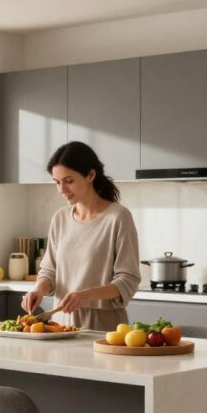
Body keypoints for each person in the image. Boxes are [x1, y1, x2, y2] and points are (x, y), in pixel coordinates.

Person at [22, 141, 141, 331]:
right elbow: (49, 270)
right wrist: (39, 289)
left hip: (103, 327)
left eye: (69, 181)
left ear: (90, 175)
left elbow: (128, 279)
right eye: (57, 182)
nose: (62, 190)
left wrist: (87, 295)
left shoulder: (118, 218)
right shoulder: (60, 219)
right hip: (59, 325)